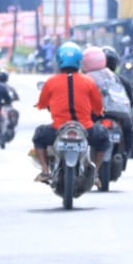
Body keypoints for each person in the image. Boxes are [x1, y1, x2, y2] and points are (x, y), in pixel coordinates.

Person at [31, 42, 108, 183]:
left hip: (58, 128)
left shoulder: (51, 82)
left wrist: (47, 105)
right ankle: (95, 173)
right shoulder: (89, 82)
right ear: (79, 61)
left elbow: (42, 104)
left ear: (59, 60)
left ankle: (45, 171)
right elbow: (98, 108)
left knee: (39, 136)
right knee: (103, 138)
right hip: (86, 127)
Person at [82, 45, 133, 161]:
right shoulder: (121, 80)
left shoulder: (89, 78)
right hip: (119, 115)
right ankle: (126, 154)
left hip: (96, 115)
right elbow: (130, 102)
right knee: (130, 131)